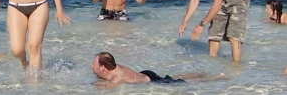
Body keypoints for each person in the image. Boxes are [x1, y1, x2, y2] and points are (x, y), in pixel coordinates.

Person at [91, 52, 225, 88]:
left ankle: (215, 78)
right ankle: (203, 73)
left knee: (180, 81)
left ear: (103, 68)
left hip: (152, 81)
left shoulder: (116, 78)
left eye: (94, 64)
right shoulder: (113, 66)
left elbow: (104, 88)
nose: (92, 66)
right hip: (145, 73)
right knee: (174, 77)